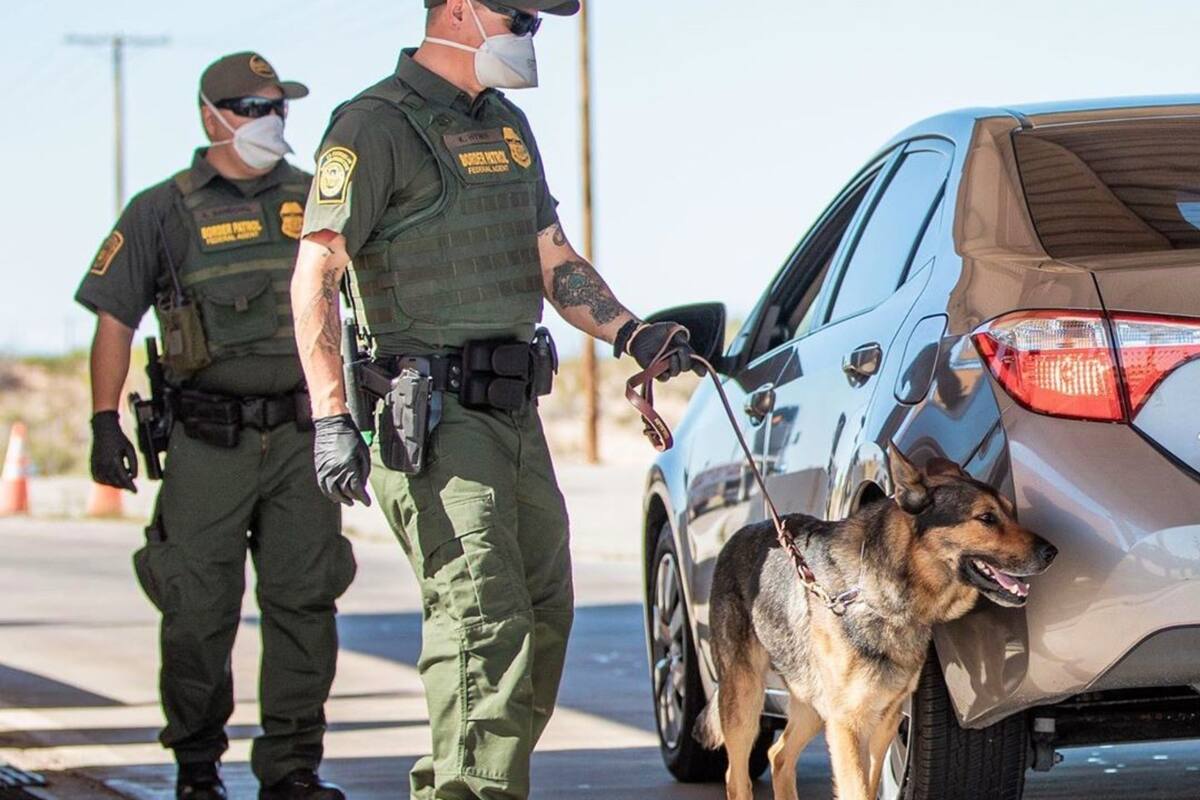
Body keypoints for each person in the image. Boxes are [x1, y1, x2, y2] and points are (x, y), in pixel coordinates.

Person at [290, 3, 697, 798]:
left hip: (512, 413)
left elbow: (553, 259)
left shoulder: (506, 124)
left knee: (543, 614)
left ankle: (467, 783)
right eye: (517, 17)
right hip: (430, 418)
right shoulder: (373, 126)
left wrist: (629, 331)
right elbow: (317, 274)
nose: (527, 34)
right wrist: (331, 415)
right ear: (458, 10)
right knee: (482, 619)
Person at [75, 52, 354, 800]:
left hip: (302, 437)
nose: (272, 120)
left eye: (278, 107)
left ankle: (293, 768)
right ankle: (197, 766)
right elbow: (113, 321)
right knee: (196, 609)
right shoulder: (161, 210)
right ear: (212, 116)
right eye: (254, 108)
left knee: (305, 600)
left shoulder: (316, 197)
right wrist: (104, 422)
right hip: (208, 439)